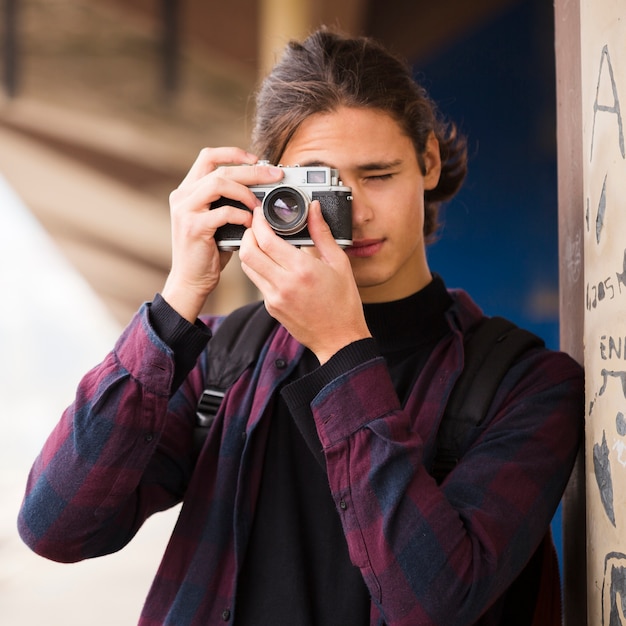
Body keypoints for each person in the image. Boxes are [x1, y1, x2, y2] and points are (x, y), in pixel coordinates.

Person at [18, 28, 583, 626]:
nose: (355, 211)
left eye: (379, 174)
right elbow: (55, 525)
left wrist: (341, 348)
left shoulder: (527, 384)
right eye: (320, 184)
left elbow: (436, 601)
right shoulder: (224, 356)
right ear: (269, 189)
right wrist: (176, 298)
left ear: (429, 161)